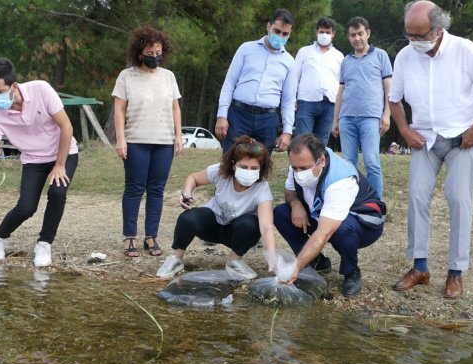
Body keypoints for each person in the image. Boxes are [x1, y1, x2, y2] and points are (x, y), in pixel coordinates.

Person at [389, 1, 473, 299]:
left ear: (439, 29)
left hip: (461, 138)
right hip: (424, 139)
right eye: (408, 35)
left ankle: (455, 273)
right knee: (416, 195)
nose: (414, 42)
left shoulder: (466, 51)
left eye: (420, 35)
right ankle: (420, 267)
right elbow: (394, 99)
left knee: (458, 198)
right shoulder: (404, 57)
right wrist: (403, 129)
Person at [0, 58, 79, 267]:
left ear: (13, 85)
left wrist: (59, 165)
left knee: (57, 193)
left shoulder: (41, 89)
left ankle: (44, 244)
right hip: (33, 159)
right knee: (26, 208)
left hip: (63, 152)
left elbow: (66, 127)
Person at [273, 134, 386, 298]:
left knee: (342, 229)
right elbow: (290, 191)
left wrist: (295, 267)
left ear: (322, 161)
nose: (298, 173)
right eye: (294, 168)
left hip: (363, 223)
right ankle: (317, 262)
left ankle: (351, 272)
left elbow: (323, 233)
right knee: (281, 213)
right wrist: (296, 205)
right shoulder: (298, 163)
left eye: (304, 168)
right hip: (321, 212)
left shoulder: (340, 180)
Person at [156, 136, 277, 279]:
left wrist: (272, 258)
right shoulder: (220, 172)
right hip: (211, 226)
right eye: (243, 167)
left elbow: (267, 227)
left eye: (254, 168)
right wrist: (187, 192)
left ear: (260, 168)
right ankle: (176, 258)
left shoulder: (262, 188)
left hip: (237, 233)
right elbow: (193, 178)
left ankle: (234, 260)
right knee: (187, 218)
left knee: (253, 224)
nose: (248, 171)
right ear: (233, 165)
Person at [112, 26, 182, 258]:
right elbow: (119, 109)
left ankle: (151, 236)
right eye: (150, 53)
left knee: (157, 190)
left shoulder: (169, 76)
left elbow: (175, 107)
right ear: (139, 52)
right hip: (136, 140)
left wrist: (178, 135)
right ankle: (129, 237)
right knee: (134, 188)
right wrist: (121, 139)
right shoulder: (126, 76)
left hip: (164, 141)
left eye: (158, 52)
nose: (155, 57)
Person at [215, 9, 295, 153]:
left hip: (268, 120)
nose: (280, 36)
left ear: (290, 33)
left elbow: (288, 100)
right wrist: (222, 116)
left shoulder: (289, 62)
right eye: (277, 31)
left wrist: (287, 132)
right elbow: (229, 83)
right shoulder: (246, 49)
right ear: (268, 26)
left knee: (261, 167)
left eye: (285, 34)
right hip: (239, 115)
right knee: (230, 162)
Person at [331, 16, 392, 199]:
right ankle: (353, 201)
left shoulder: (380, 55)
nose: (357, 38)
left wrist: (387, 113)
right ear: (348, 37)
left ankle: (376, 204)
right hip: (347, 118)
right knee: (349, 164)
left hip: (370, 117)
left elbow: (389, 87)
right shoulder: (346, 61)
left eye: (360, 34)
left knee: (372, 163)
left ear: (368, 34)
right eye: (352, 35)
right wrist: (336, 119)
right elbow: (340, 92)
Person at [290, 17, 344, 146]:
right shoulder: (304, 52)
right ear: (316, 32)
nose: (324, 35)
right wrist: (292, 100)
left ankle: (318, 166)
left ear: (333, 34)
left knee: (321, 145)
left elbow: (342, 84)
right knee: (302, 142)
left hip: (329, 104)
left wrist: (340, 108)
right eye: (321, 32)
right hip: (306, 102)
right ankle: (299, 166)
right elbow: (294, 77)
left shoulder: (339, 56)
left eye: (327, 32)